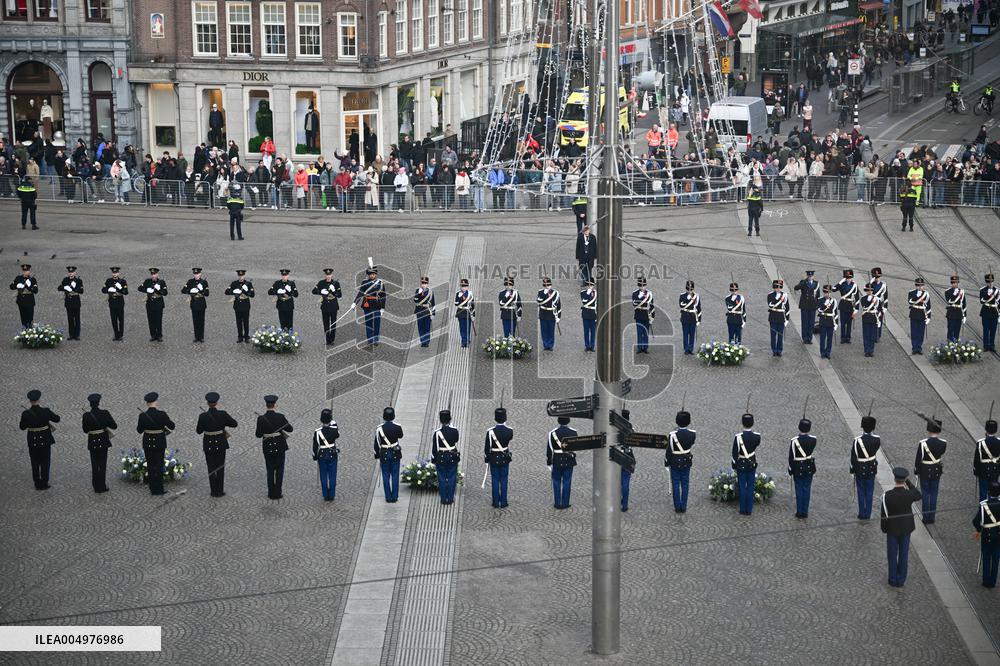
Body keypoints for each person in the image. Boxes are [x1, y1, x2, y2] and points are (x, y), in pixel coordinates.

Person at [880, 467, 922, 587]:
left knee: (892, 555)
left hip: (892, 529)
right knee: (904, 555)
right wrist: (909, 483)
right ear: (904, 480)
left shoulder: (887, 496)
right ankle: (901, 580)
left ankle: (892, 579)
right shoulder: (909, 494)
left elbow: (884, 514)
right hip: (906, 528)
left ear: (894, 479)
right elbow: (919, 495)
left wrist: (884, 529)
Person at [196, 391, 237, 498]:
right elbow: (234, 423)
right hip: (220, 443)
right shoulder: (222, 414)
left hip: (208, 444)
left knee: (211, 467)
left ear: (207, 403)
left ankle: (213, 491)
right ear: (217, 402)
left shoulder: (203, 416)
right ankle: (220, 490)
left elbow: (199, 431)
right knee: (220, 467)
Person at [19, 389, 60, 490]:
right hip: (45, 439)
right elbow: (57, 419)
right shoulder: (45, 411)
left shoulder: (26, 413)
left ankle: (37, 483)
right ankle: (44, 482)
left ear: (30, 401)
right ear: (39, 400)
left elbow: (22, 427)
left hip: (33, 440)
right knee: (45, 461)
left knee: (35, 462)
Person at [136, 392, 175, 496]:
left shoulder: (142, 416)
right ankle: (159, 489)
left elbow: (139, 430)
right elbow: (172, 426)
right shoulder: (162, 414)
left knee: (150, 465)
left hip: (148, 442)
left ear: (147, 403)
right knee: (159, 465)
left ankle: (152, 488)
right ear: (156, 402)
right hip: (159, 442)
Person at [255, 394, 293, 500]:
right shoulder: (280, 417)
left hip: (267, 447)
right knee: (280, 470)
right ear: (274, 405)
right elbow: (290, 429)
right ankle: (278, 492)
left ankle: (271, 493)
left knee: (270, 469)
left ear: (266, 405)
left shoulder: (261, 419)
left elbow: (258, 435)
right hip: (280, 446)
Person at [914, 418, 947, 524]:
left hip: (924, 471)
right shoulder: (943, 443)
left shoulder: (923, 443)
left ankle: (925, 517)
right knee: (933, 494)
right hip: (936, 471)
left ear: (929, 430)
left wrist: (916, 471)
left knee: (925, 494)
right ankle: (931, 517)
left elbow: (918, 459)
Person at [82, 393, 116, 493]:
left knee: (94, 464)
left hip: (92, 441)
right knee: (102, 464)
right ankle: (102, 485)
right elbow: (114, 426)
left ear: (90, 404)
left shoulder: (86, 415)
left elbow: (85, 430)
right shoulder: (105, 413)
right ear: (98, 403)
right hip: (103, 440)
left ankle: (96, 485)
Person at [731, 410, 762, 515]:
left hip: (741, 463)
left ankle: (742, 509)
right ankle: (749, 509)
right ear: (752, 423)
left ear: (742, 423)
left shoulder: (738, 437)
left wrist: (734, 465)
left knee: (742, 486)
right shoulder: (757, 436)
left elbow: (734, 453)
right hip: (752, 462)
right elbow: (756, 445)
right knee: (750, 486)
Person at [667, 409, 696, 513]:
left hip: (674, 461)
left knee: (675, 484)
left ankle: (677, 506)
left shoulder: (672, 435)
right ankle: (683, 506)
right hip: (686, 461)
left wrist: (667, 462)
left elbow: (669, 450)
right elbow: (691, 443)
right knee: (685, 484)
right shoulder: (692, 434)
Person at [485, 405, 514, 508]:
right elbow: (509, 439)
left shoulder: (490, 432)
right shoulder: (510, 431)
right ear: (505, 418)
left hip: (494, 457)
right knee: (504, 479)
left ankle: (496, 502)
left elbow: (487, 448)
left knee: (495, 480)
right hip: (504, 457)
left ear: (495, 418)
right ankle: (504, 501)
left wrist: (487, 459)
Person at [788, 417, 817, 518]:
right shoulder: (813, 440)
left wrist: (790, 470)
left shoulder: (794, 441)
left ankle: (799, 511)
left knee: (799, 489)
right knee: (806, 489)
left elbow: (791, 457)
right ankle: (805, 511)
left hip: (798, 467)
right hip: (809, 466)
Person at [374, 405, 404, 503]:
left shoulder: (379, 429)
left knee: (385, 475)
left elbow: (377, 444)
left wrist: (377, 455)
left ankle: (388, 497)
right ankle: (394, 497)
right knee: (395, 475)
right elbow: (401, 435)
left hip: (384, 453)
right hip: (395, 452)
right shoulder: (397, 427)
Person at [547, 416, 577, 509]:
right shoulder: (573, 432)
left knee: (556, 481)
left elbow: (549, 449)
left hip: (557, 460)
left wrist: (549, 462)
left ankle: (557, 503)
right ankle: (565, 503)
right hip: (568, 460)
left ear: (558, 421)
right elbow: (576, 447)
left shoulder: (552, 433)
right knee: (567, 482)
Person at [432, 408, 461, 505]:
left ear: (440, 420)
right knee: (452, 477)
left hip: (441, 456)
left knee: (442, 478)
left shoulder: (437, 433)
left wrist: (433, 459)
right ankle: (450, 498)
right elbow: (456, 440)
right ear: (450, 419)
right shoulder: (455, 430)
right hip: (452, 456)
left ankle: (444, 499)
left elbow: (435, 448)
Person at [974, 482, 1000, 588]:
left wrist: (979, 530)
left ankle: (986, 580)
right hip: (998, 535)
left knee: (986, 557)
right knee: (995, 558)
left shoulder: (983, 505)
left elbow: (976, 521)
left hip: (987, 534)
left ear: (989, 492)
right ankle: (993, 581)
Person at [352, 266, 386, 346]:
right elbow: (360, 293)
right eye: (370, 274)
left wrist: (382, 308)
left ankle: (376, 339)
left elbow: (383, 296)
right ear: (368, 275)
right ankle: (370, 339)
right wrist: (354, 303)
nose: (372, 276)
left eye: (373, 274)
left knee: (377, 323)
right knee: (368, 322)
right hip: (367, 305)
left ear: (376, 274)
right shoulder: (364, 282)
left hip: (377, 305)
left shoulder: (380, 283)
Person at [312, 408, 340, 501]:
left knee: (323, 475)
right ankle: (331, 495)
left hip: (322, 455)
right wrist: (334, 423)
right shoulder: (333, 430)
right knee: (332, 475)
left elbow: (315, 446)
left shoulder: (317, 432)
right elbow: (337, 435)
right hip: (332, 454)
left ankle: (325, 495)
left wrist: (315, 456)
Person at [311, 268, 343, 347]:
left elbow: (339, 295)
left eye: (329, 275)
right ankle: (327, 339)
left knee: (333, 323)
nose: (328, 276)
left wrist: (333, 291)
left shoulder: (336, 283)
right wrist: (320, 292)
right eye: (327, 275)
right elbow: (313, 291)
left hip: (333, 306)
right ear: (325, 275)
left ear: (332, 275)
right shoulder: (321, 283)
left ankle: (332, 339)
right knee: (325, 323)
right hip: (325, 306)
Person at [224, 270, 254, 343]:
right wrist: (234, 291)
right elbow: (226, 292)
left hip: (245, 305)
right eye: (240, 276)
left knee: (246, 321)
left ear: (244, 275)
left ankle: (246, 336)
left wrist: (246, 291)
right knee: (238, 321)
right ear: (238, 276)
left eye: (242, 275)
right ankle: (240, 336)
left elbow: (252, 295)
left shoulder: (248, 284)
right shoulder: (234, 283)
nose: (241, 277)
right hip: (237, 305)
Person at [181, 268, 209, 343]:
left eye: (197, 274)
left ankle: (201, 337)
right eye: (195, 274)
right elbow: (183, 290)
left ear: (200, 274)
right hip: (194, 303)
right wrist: (190, 291)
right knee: (195, 320)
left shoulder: (204, 282)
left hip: (201, 303)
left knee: (201, 320)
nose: (196, 275)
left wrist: (201, 290)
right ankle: (196, 337)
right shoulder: (190, 281)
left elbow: (207, 294)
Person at [974, 418, 1000, 502]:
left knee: (983, 491)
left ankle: (983, 509)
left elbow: (977, 460)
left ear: (986, 429)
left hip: (983, 471)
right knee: (993, 490)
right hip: (995, 470)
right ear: (996, 430)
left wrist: (976, 471)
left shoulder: (980, 443)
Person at [101, 266, 128, 341]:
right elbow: (103, 290)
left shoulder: (122, 281)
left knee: (121, 319)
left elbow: (126, 292)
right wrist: (109, 289)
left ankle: (121, 335)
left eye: (116, 273)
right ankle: (116, 335)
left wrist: (120, 289)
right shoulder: (108, 281)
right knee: (114, 320)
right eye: (113, 273)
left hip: (120, 303)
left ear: (118, 273)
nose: (114, 274)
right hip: (112, 303)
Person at [141, 268, 168, 342]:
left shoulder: (161, 282)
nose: (153, 275)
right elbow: (140, 288)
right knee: (151, 320)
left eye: (155, 274)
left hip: (158, 304)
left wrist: (159, 290)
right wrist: (147, 290)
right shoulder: (147, 281)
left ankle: (159, 335)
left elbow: (165, 293)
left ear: (157, 274)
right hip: (150, 303)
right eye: (152, 274)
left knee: (158, 320)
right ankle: (153, 335)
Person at [793, 270, 820, 344]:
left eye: (811, 276)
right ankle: (805, 338)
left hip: (812, 306)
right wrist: (802, 281)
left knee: (811, 323)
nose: (810, 277)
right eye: (808, 276)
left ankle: (809, 338)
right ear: (807, 276)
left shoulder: (816, 284)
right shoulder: (804, 283)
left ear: (813, 276)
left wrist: (817, 305)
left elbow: (818, 295)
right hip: (804, 305)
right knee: (805, 322)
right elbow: (796, 288)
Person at [58, 266, 84, 340]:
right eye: (69, 272)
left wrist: (74, 288)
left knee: (77, 319)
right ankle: (71, 334)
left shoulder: (78, 281)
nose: (71, 274)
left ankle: (77, 334)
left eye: (72, 272)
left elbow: (81, 291)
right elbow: (59, 288)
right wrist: (65, 288)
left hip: (76, 301)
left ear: (75, 272)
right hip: (68, 301)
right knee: (70, 319)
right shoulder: (65, 280)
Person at [908, 277, 932, 355]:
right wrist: (917, 296)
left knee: (921, 333)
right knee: (914, 332)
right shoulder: (911, 293)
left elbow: (928, 306)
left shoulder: (926, 294)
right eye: (918, 285)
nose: (920, 287)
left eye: (921, 285)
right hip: (914, 313)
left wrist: (929, 317)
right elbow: (910, 301)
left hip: (922, 314)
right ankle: (914, 348)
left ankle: (919, 347)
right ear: (916, 285)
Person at [834, 269, 858, 344]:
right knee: (843, 322)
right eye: (847, 278)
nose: (848, 279)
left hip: (850, 305)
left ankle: (848, 337)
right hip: (843, 305)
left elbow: (857, 298)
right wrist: (840, 282)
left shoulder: (854, 285)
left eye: (849, 278)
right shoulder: (842, 284)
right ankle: (842, 337)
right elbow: (833, 289)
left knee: (849, 323)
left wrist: (856, 309)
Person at [766, 279, 790, 356]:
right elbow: (770, 305)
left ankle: (779, 350)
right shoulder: (770, 295)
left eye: (779, 287)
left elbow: (787, 308)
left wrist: (787, 319)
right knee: (773, 335)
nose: (778, 289)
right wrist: (779, 299)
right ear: (774, 287)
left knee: (780, 335)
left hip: (781, 317)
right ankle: (774, 350)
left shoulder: (785, 295)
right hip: (773, 316)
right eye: (776, 287)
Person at [537, 277, 561, 351]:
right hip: (543, 313)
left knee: (551, 330)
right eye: (545, 285)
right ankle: (545, 344)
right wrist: (544, 294)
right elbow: (538, 302)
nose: (547, 287)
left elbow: (558, 305)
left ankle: (550, 345)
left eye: (548, 285)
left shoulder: (556, 293)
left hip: (551, 314)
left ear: (551, 285)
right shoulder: (541, 292)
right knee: (544, 330)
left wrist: (558, 316)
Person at [632, 277, 655, 354]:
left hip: (646, 315)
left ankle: (645, 347)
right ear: (638, 286)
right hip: (638, 315)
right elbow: (634, 303)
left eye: (643, 286)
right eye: (641, 286)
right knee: (639, 332)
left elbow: (652, 306)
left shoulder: (649, 294)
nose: (642, 287)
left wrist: (652, 317)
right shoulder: (635, 293)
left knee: (645, 332)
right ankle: (639, 347)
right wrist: (642, 299)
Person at [858, 283, 882, 357]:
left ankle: (871, 350)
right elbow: (864, 306)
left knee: (872, 335)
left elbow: (879, 309)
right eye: (868, 290)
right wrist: (871, 301)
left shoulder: (877, 299)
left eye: (871, 290)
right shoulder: (863, 298)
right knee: (866, 335)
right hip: (866, 317)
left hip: (873, 318)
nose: (869, 292)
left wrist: (879, 318)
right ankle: (866, 350)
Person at [11, 263, 38, 329]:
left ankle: (30, 333)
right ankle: (24, 333)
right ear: (22, 271)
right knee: (23, 319)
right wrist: (17, 286)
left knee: (30, 319)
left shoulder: (32, 280)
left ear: (29, 271)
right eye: (24, 271)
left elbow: (36, 291)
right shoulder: (18, 278)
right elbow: (11, 286)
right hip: (21, 301)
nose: (25, 272)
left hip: (29, 302)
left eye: (27, 270)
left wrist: (28, 287)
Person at [816, 284, 839, 359]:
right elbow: (818, 309)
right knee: (822, 338)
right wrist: (824, 305)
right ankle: (822, 352)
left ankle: (828, 352)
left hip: (830, 321)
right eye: (826, 292)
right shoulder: (820, 300)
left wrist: (836, 323)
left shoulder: (834, 301)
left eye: (829, 292)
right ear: (824, 292)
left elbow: (835, 313)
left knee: (829, 338)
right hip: (823, 320)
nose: (827, 294)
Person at [678, 280, 701, 355]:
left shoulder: (696, 296)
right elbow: (681, 305)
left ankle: (691, 349)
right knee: (685, 334)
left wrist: (699, 320)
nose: (689, 291)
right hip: (685, 316)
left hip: (693, 317)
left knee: (692, 334)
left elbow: (699, 308)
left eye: (691, 289)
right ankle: (686, 349)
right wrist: (688, 299)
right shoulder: (682, 295)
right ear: (686, 288)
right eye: (688, 289)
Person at [413, 275, 436, 347]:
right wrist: (419, 295)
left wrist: (433, 313)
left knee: (427, 327)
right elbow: (415, 301)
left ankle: (426, 341)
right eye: (422, 283)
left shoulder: (431, 292)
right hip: (419, 311)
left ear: (427, 284)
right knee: (420, 327)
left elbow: (433, 303)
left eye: (425, 283)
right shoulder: (418, 291)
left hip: (427, 311)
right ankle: (422, 341)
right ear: (421, 283)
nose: (424, 285)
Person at [944, 274, 967, 343]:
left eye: (956, 283)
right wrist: (954, 295)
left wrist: (965, 315)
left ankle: (956, 342)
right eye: (953, 283)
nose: (955, 284)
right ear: (951, 283)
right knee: (950, 328)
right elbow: (949, 301)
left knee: (957, 329)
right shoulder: (947, 291)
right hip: (951, 312)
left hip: (959, 313)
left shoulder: (961, 292)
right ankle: (949, 342)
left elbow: (964, 304)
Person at [454, 278, 476, 348]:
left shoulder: (470, 294)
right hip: (460, 312)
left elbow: (472, 305)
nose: (463, 288)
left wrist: (473, 315)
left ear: (467, 286)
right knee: (462, 327)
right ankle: (464, 341)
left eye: (465, 286)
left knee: (467, 327)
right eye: (462, 286)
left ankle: (467, 340)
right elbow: (456, 304)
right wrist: (460, 298)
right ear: (460, 287)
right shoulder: (458, 294)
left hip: (468, 312)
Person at [868, 267, 888, 342]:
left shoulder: (884, 285)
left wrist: (885, 307)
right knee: (872, 320)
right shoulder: (871, 284)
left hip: (879, 304)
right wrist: (870, 282)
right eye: (875, 277)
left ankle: (877, 336)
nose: (877, 278)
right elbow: (867, 292)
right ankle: (872, 335)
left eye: (878, 277)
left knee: (879, 320)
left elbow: (886, 297)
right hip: (872, 304)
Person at [980, 272, 998, 352]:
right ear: (986, 282)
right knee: (986, 330)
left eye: (991, 282)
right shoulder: (983, 290)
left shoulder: (997, 290)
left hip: (994, 312)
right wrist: (988, 295)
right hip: (986, 312)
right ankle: (986, 345)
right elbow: (982, 301)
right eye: (988, 282)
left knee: (993, 330)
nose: (990, 283)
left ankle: (992, 345)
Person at [581, 278, 597, 351]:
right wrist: (588, 292)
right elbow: (584, 301)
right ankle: (587, 345)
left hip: (593, 314)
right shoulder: (583, 293)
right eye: (588, 285)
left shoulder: (596, 293)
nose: (589, 287)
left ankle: (592, 346)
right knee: (586, 331)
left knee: (593, 331)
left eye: (591, 285)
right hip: (586, 313)